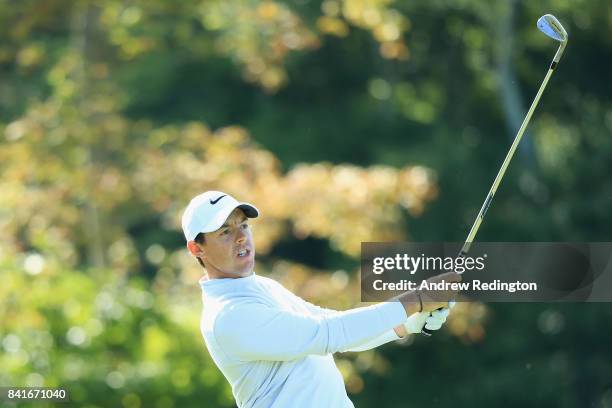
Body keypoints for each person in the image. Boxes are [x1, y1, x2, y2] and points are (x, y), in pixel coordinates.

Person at [182, 190, 460, 408]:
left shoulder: (262, 287)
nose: (241, 238)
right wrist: (418, 299)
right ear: (197, 248)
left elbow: (331, 323)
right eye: (225, 232)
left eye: (243, 226)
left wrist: (408, 324)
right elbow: (327, 334)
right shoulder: (228, 316)